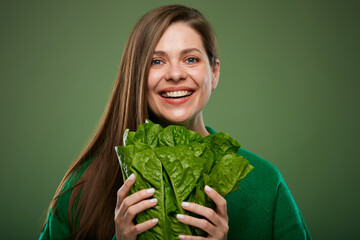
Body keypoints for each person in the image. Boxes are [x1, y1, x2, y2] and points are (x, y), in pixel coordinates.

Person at [39, 4, 311, 240]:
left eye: (190, 59)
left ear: (214, 73)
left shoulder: (263, 185)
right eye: (156, 61)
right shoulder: (84, 187)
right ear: (136, 76)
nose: (175, 74)